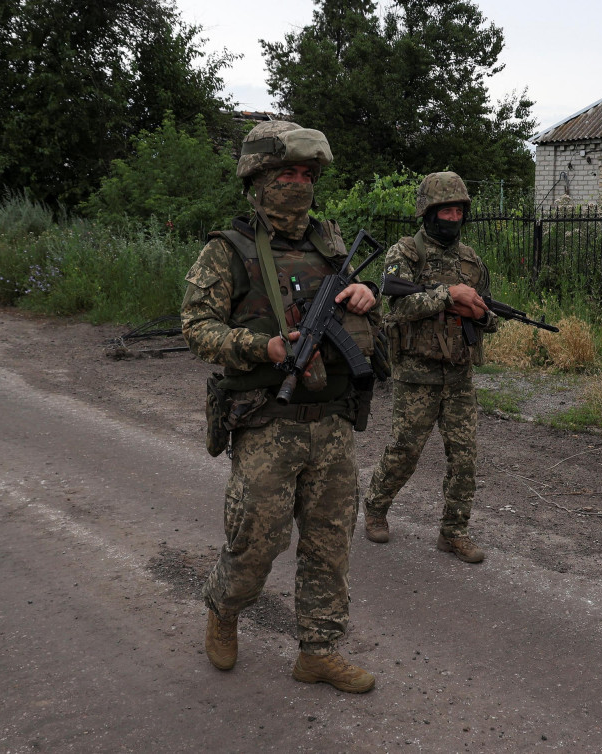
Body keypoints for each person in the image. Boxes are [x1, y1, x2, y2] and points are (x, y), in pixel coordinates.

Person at [181, 120, 379, 693]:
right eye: (284, 173)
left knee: (329, 544)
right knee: (256, 544)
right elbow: (195, 328)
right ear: (258, 179)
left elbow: (359, 318)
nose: (297, 184)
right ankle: (224, 607)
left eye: (305, 174)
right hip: (266, 420)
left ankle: (318, 649)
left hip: (331, 421)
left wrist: (364, 300)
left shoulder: (331, 241)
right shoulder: (228, 250)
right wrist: (258, 346)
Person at [363, 171, 495, 563]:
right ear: (427, 212)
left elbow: (489, 314)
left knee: (464, 456)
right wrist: (446, 295)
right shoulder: (405, 254)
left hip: (458, 374)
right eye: (445, 210)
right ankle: (375, 507)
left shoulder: (471, 261)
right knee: (405, 450)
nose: (452, 217)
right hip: (416, 374)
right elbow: (397, 306)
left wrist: (481, 314)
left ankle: (454, 532)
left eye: (458, 210)